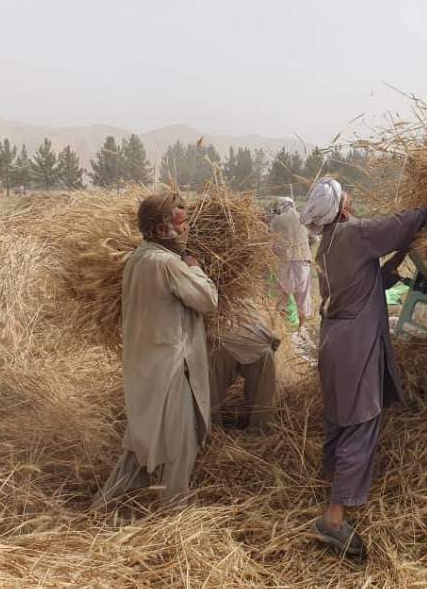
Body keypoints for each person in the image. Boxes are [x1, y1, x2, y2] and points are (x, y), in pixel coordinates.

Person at [300, 177, 427, 557]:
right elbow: (398, 224)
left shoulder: (326, 245)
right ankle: (334, 519)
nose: (351, 197)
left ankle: (332, 482)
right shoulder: (353, 233)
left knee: (339, 420)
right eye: (346, 196)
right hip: (355, 347)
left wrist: (395, 260)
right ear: (341, 208)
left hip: (334, 343)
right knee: (361, 423)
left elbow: (363, 282)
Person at [91, 192, 217, 509]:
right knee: (180, 446)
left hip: (146, 368)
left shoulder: (137, 259)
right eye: (181, 222)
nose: (187, 228)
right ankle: (174, 516)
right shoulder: (168, 264)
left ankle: (100, 509)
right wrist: (196, 268)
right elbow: (207, 300)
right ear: (162, 230)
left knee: (138, 446)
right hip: (173, 369)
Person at [209, 302, 280, 430]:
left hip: (224, 343)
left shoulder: (216, 299)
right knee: (262, 398)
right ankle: (259, 431)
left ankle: (213, 429)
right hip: (260, 348)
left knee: (211, 390)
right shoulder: (248, 301)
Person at [270, 197, 314, 326]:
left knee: (283, 295)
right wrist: (304, 247)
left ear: (280, 206)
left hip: (284, 261)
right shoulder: (303, 219)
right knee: (303, 298)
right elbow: (314, 238)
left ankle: (283, 330)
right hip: (303, 262)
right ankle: (301, 329)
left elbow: (269, 239)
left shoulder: (276, 220)